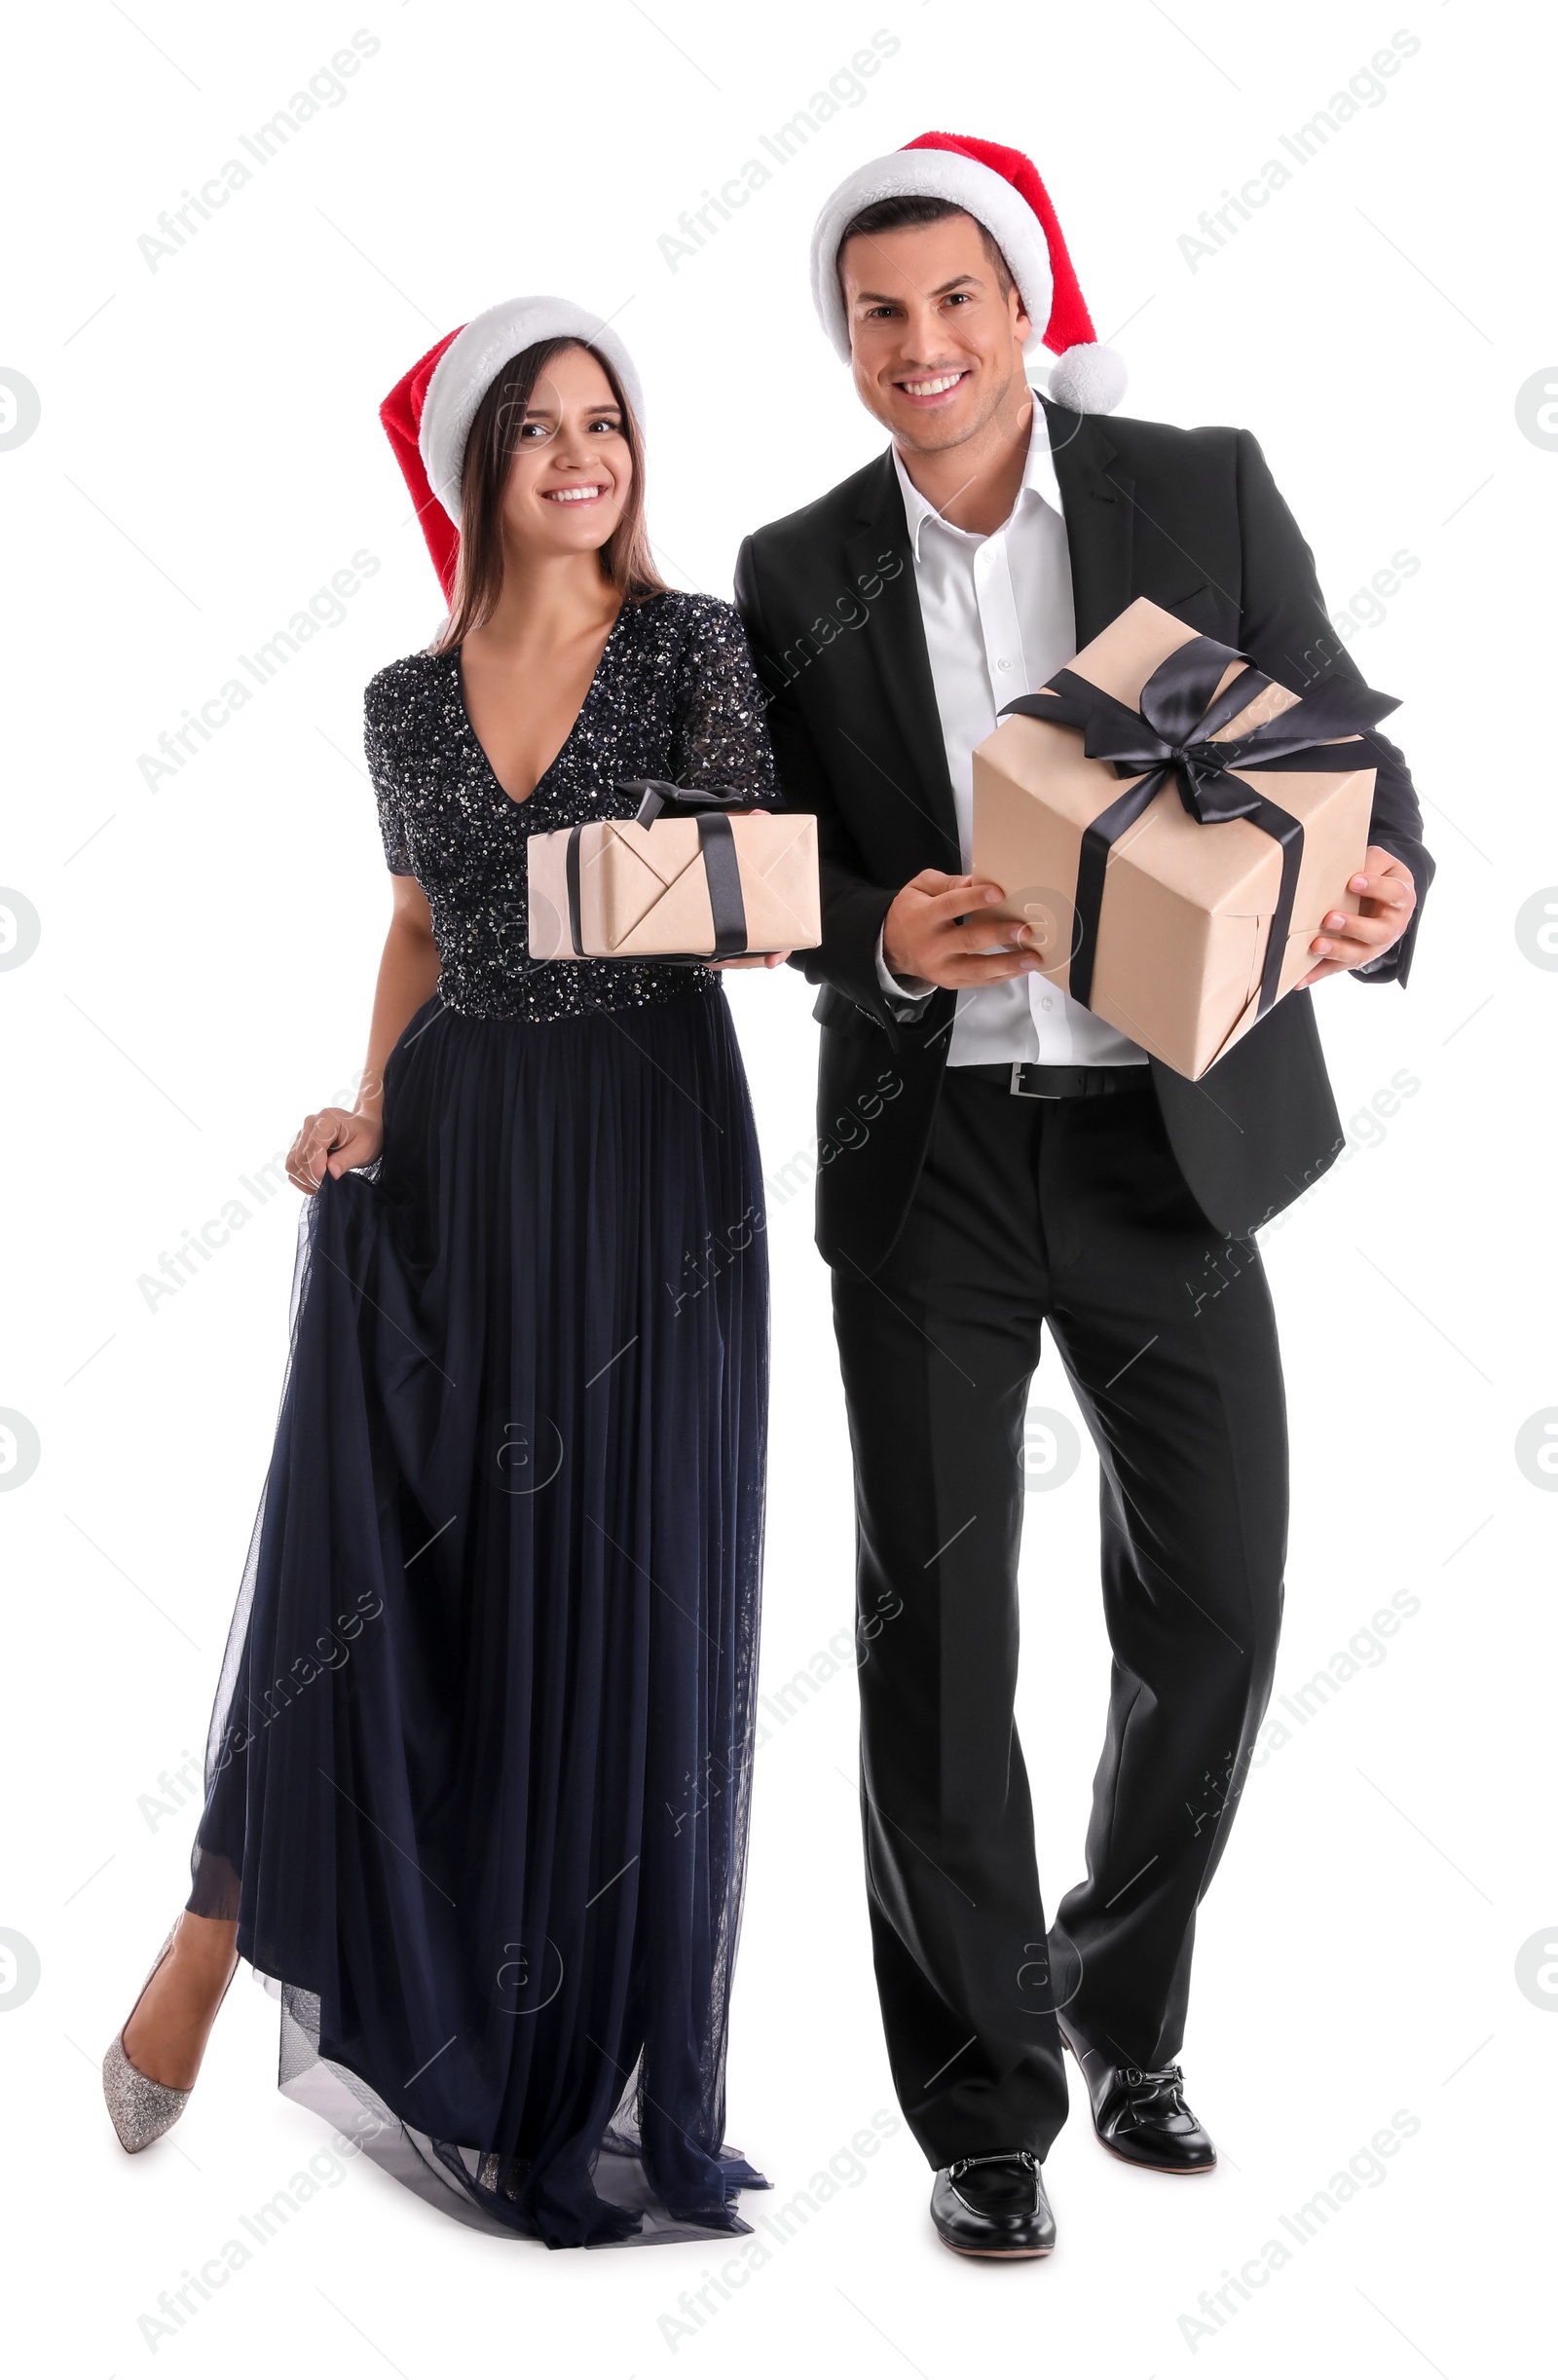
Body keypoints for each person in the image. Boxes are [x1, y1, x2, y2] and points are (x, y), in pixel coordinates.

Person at [734, 133, 1432, 2260]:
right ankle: (981, 2106)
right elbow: (761, 866)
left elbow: (1347, 753)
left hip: (1161, 1140)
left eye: (954, 302)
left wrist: (1383, 884)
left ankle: (1118, 1997)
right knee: (938, 1642)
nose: (919, 346)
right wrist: (878, 930)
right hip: (930, 1156)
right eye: (876, 315)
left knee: (1213, 1614)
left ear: (1021, 308)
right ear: (843, 343)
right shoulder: (793, 566)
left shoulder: (1188, 483)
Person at [103, 297, 786, 2250]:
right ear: (473, 467)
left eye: (608, 423)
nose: (584, 455)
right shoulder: (407, 699)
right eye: (539, 428)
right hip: (466, 1137)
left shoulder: (690, 646)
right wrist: (367, 1106)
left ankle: (563, 2058)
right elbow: (415, 922)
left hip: (652, 1151)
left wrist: (701, 901)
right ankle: (218, 1936)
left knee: (617, 1591)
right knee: (382, 1542)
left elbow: (754, 895)